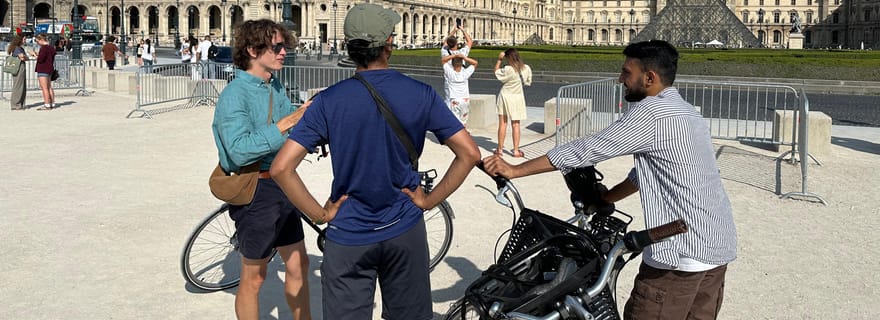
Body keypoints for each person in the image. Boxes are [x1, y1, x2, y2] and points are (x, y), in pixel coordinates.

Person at [482, 40, 737, 320]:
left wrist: (514, 170)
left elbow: (588, 148)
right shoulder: (688, 113)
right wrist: (606, 198)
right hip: (716, 247)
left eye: (627, 72)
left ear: (649, 78)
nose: (620, 79)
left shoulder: (650, 113)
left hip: (679, 255)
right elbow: (648, 173)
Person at [269, 4, 481, 319]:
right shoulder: (420, 93)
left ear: (350, 48)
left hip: (349, 234)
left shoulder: (328, 101)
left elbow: (281, 168)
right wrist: (428, 200)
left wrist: (321, 212)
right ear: (388, 45)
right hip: (404, 228)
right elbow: (470, 154)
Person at [211, 20, 312, 320]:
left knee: (299, 265)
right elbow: (238, 150)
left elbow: (289, 131)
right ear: (253, 50)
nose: (284, 53)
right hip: (256, 190)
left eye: (285, 46)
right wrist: (285, 124)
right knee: (254, 277)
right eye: (277, 47)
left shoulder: (274, 85)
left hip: (283, 182)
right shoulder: (234, 95)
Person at [493, 48, 532, 157]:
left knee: (503, 124)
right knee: (516, 125)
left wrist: (499, 60)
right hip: (518, 97)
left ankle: (500, 149)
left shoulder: (508, 69)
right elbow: (528, 82)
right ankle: (515, 150)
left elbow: (496, 72)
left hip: (505, 96)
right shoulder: (526, 68)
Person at [441, 52, 478, 127]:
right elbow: (475, 63)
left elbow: (443, 60)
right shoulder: (465, 73)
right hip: (465, 99)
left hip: (454, 99)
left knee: (455, 121)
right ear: (461, 64)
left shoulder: (450, 73)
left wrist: (454, 55)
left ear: (452, 64)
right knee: (463, 120)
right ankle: (464, 133)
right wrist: (464, 57)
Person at [34, 33, 56, 111]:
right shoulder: (51, 48)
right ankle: (52, 103)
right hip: (50, 68)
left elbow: (41, 59)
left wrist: (35, 55)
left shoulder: (44, 48)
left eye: (37, 41)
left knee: (44, 88)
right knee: (49, 87)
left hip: (43, 69)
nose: (37, 43)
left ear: (41, 40)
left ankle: (47, 104)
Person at [7, 34, 28, 110]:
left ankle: (20, 103)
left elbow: (24, 57)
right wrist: (26, 57)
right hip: (19, 67)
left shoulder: (19, 48)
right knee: (18, 86)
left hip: (20, 67)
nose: (25, 40)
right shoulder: (17, 48)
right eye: (24, 39)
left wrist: (25, 57)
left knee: (22, 86)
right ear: (20, 40)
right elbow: (22, 57)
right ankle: (16, 104)